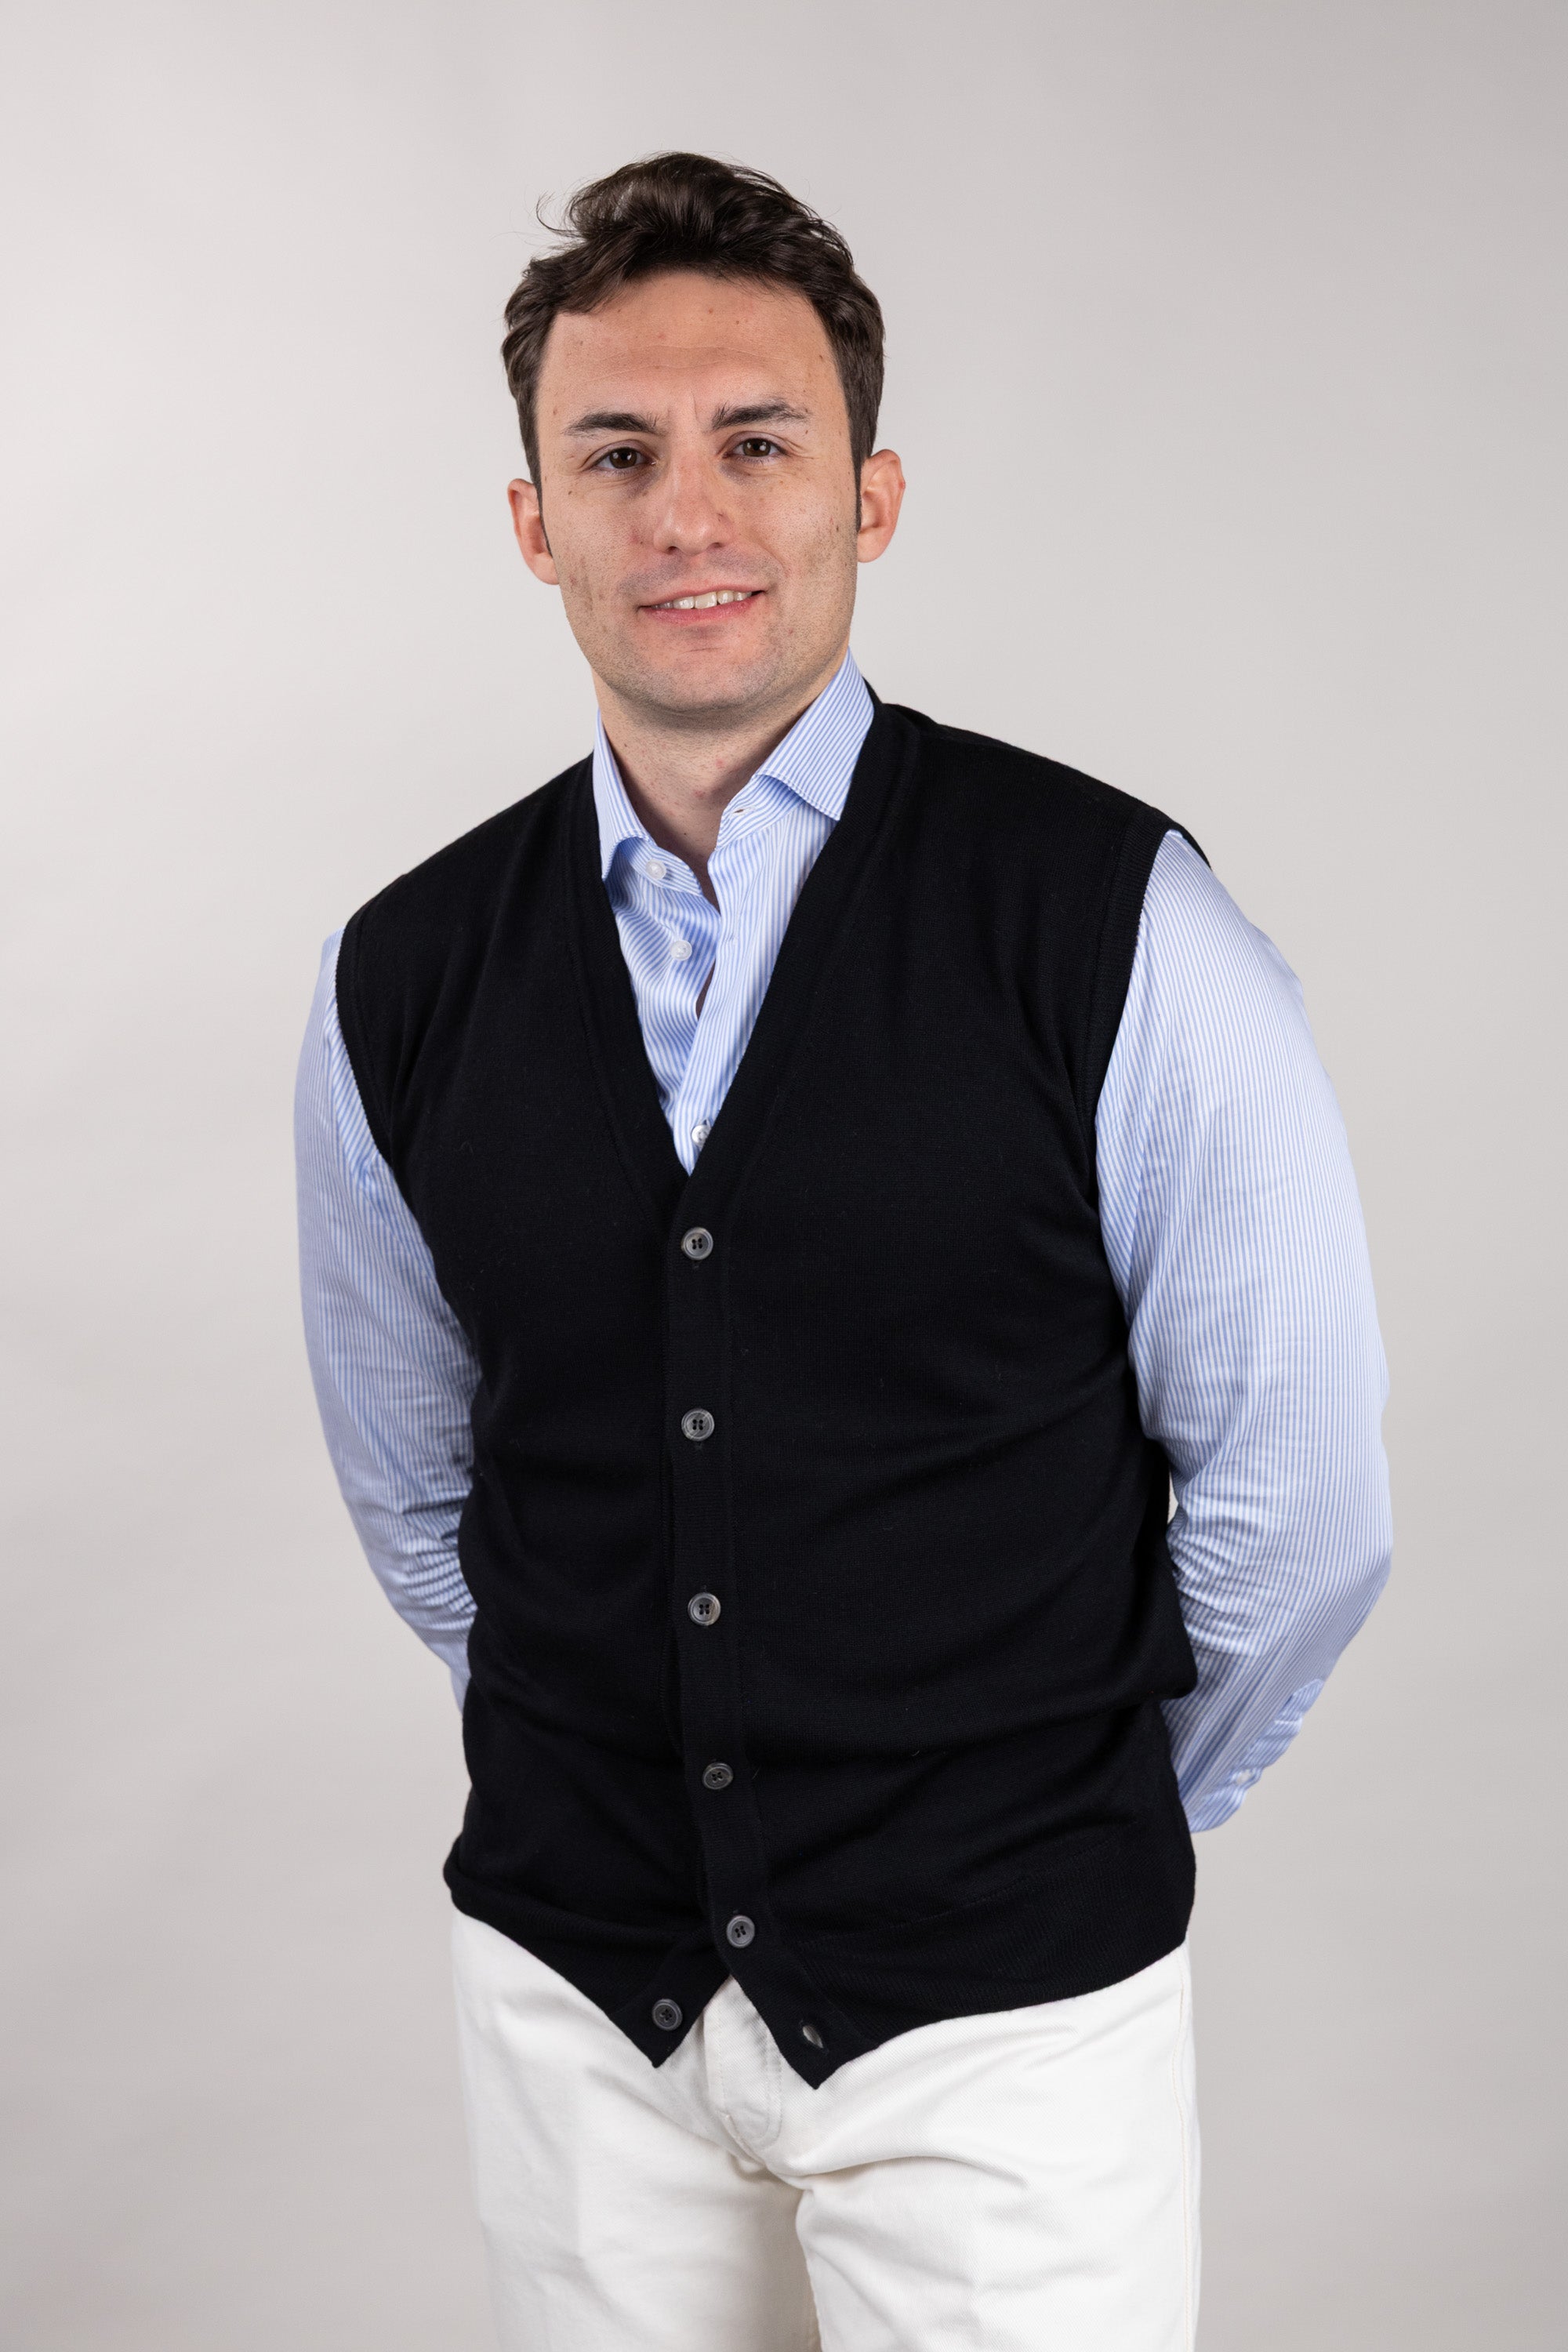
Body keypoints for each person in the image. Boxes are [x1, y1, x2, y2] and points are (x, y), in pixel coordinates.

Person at [294, 151, 1392, 2352]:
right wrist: (631, 1777)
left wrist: (1050, 1816)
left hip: (1007, 2017)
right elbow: (423, 1501)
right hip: (579, 2006)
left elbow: (1303, 1514)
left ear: (870, 500)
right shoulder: (400, 976)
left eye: (758, 443)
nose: (686, 512)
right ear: (534, 521)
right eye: (618, 453)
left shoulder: (1113, 923)